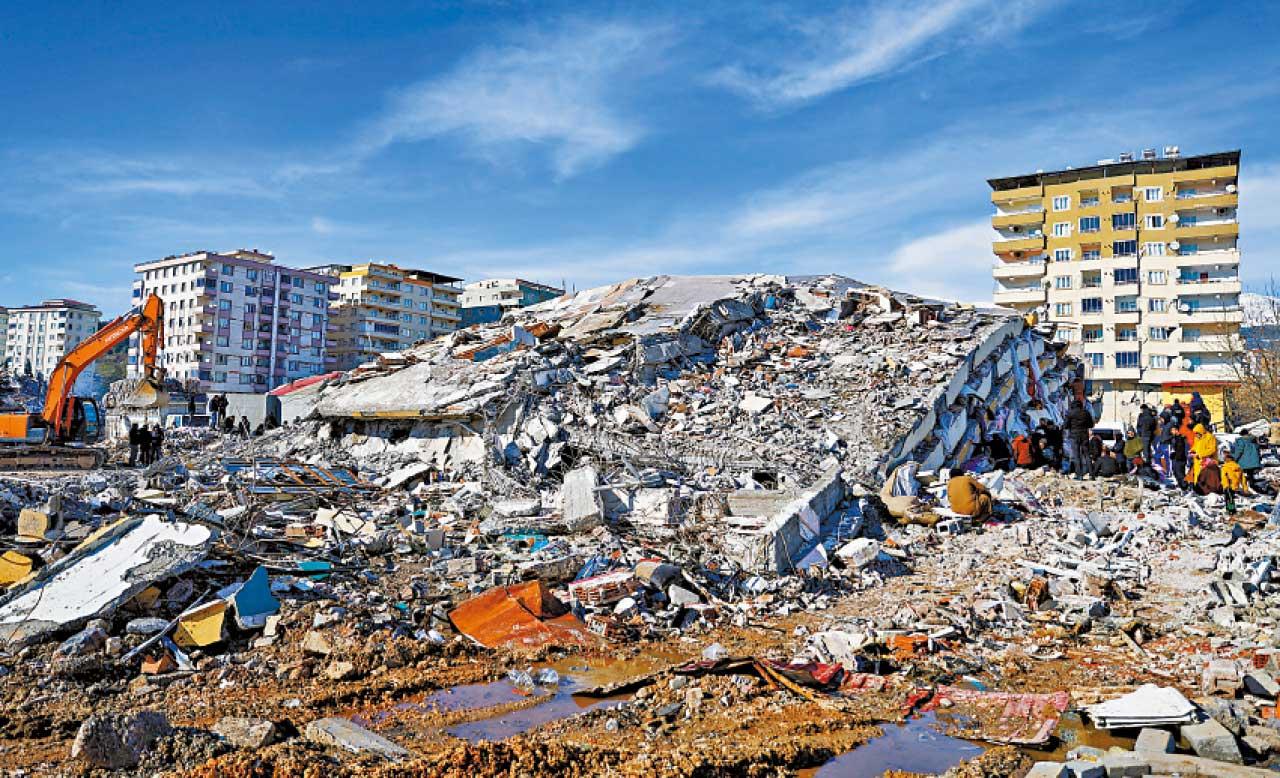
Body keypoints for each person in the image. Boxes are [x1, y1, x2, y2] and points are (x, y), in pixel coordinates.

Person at [1064, 399, 1095, 480]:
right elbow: (1091, 425)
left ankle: (1079, 475)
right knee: (1087, 455)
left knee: (1077, 456)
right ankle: (1092, 475)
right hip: (1084, 435)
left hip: (1074, 436)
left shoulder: (1070, 413)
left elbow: (1066, 426)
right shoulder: (1086, 412)